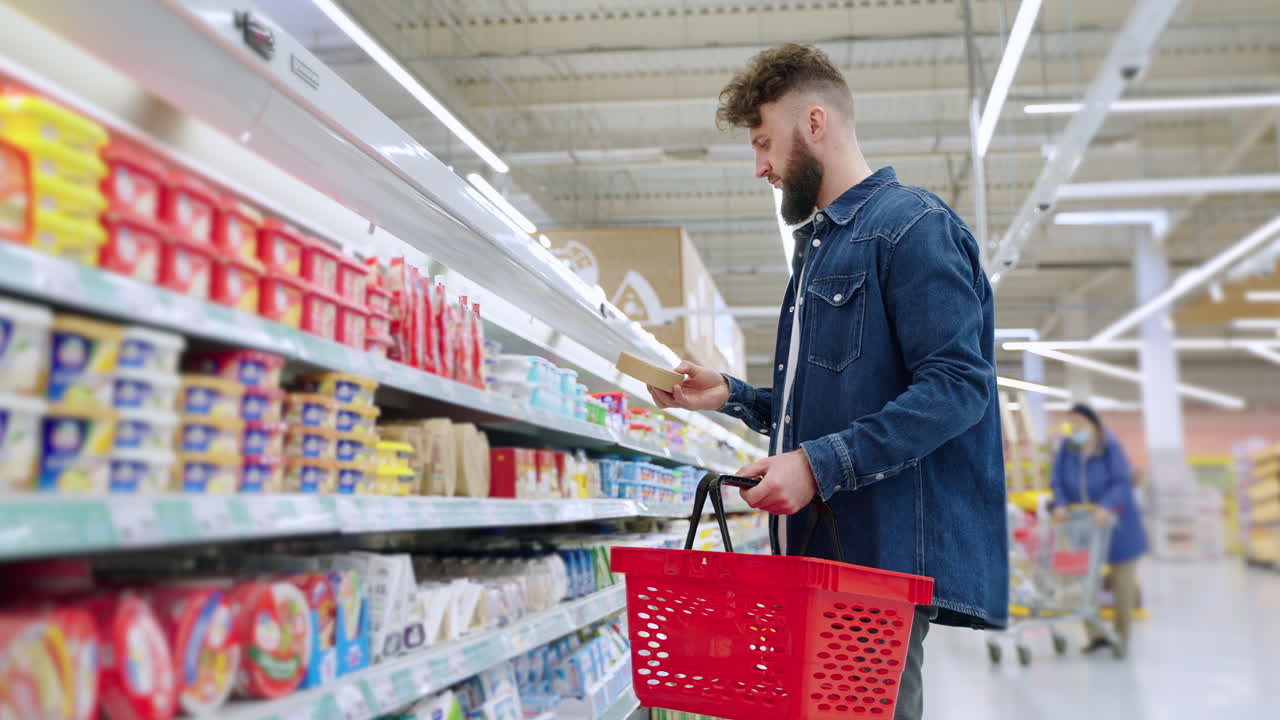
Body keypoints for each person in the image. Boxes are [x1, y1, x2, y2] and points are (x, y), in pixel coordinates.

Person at [647, 44, 1007, 720]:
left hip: (875, 564)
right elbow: (831, 403)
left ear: (816, 123)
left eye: (763, 142)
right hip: (819, 562)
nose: (760, 167)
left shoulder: (913, 229)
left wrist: (816, 467)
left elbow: (959, 386)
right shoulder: (820, 255)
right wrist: (733, 396)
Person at [1050, 403, 1148, 659]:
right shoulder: (1067, 449)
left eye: (1082, 423)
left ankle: (1120, 638)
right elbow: (1057, 480)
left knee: (1122, 583)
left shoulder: (1110, 447)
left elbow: (1121, 482)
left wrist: (1106, 506)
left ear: (1094, 424)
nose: (1077, 428)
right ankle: (1095, 635)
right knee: (1085, 583)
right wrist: (1060, 503)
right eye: (1073, 423)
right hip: (1082, 525)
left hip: (1117, 525)